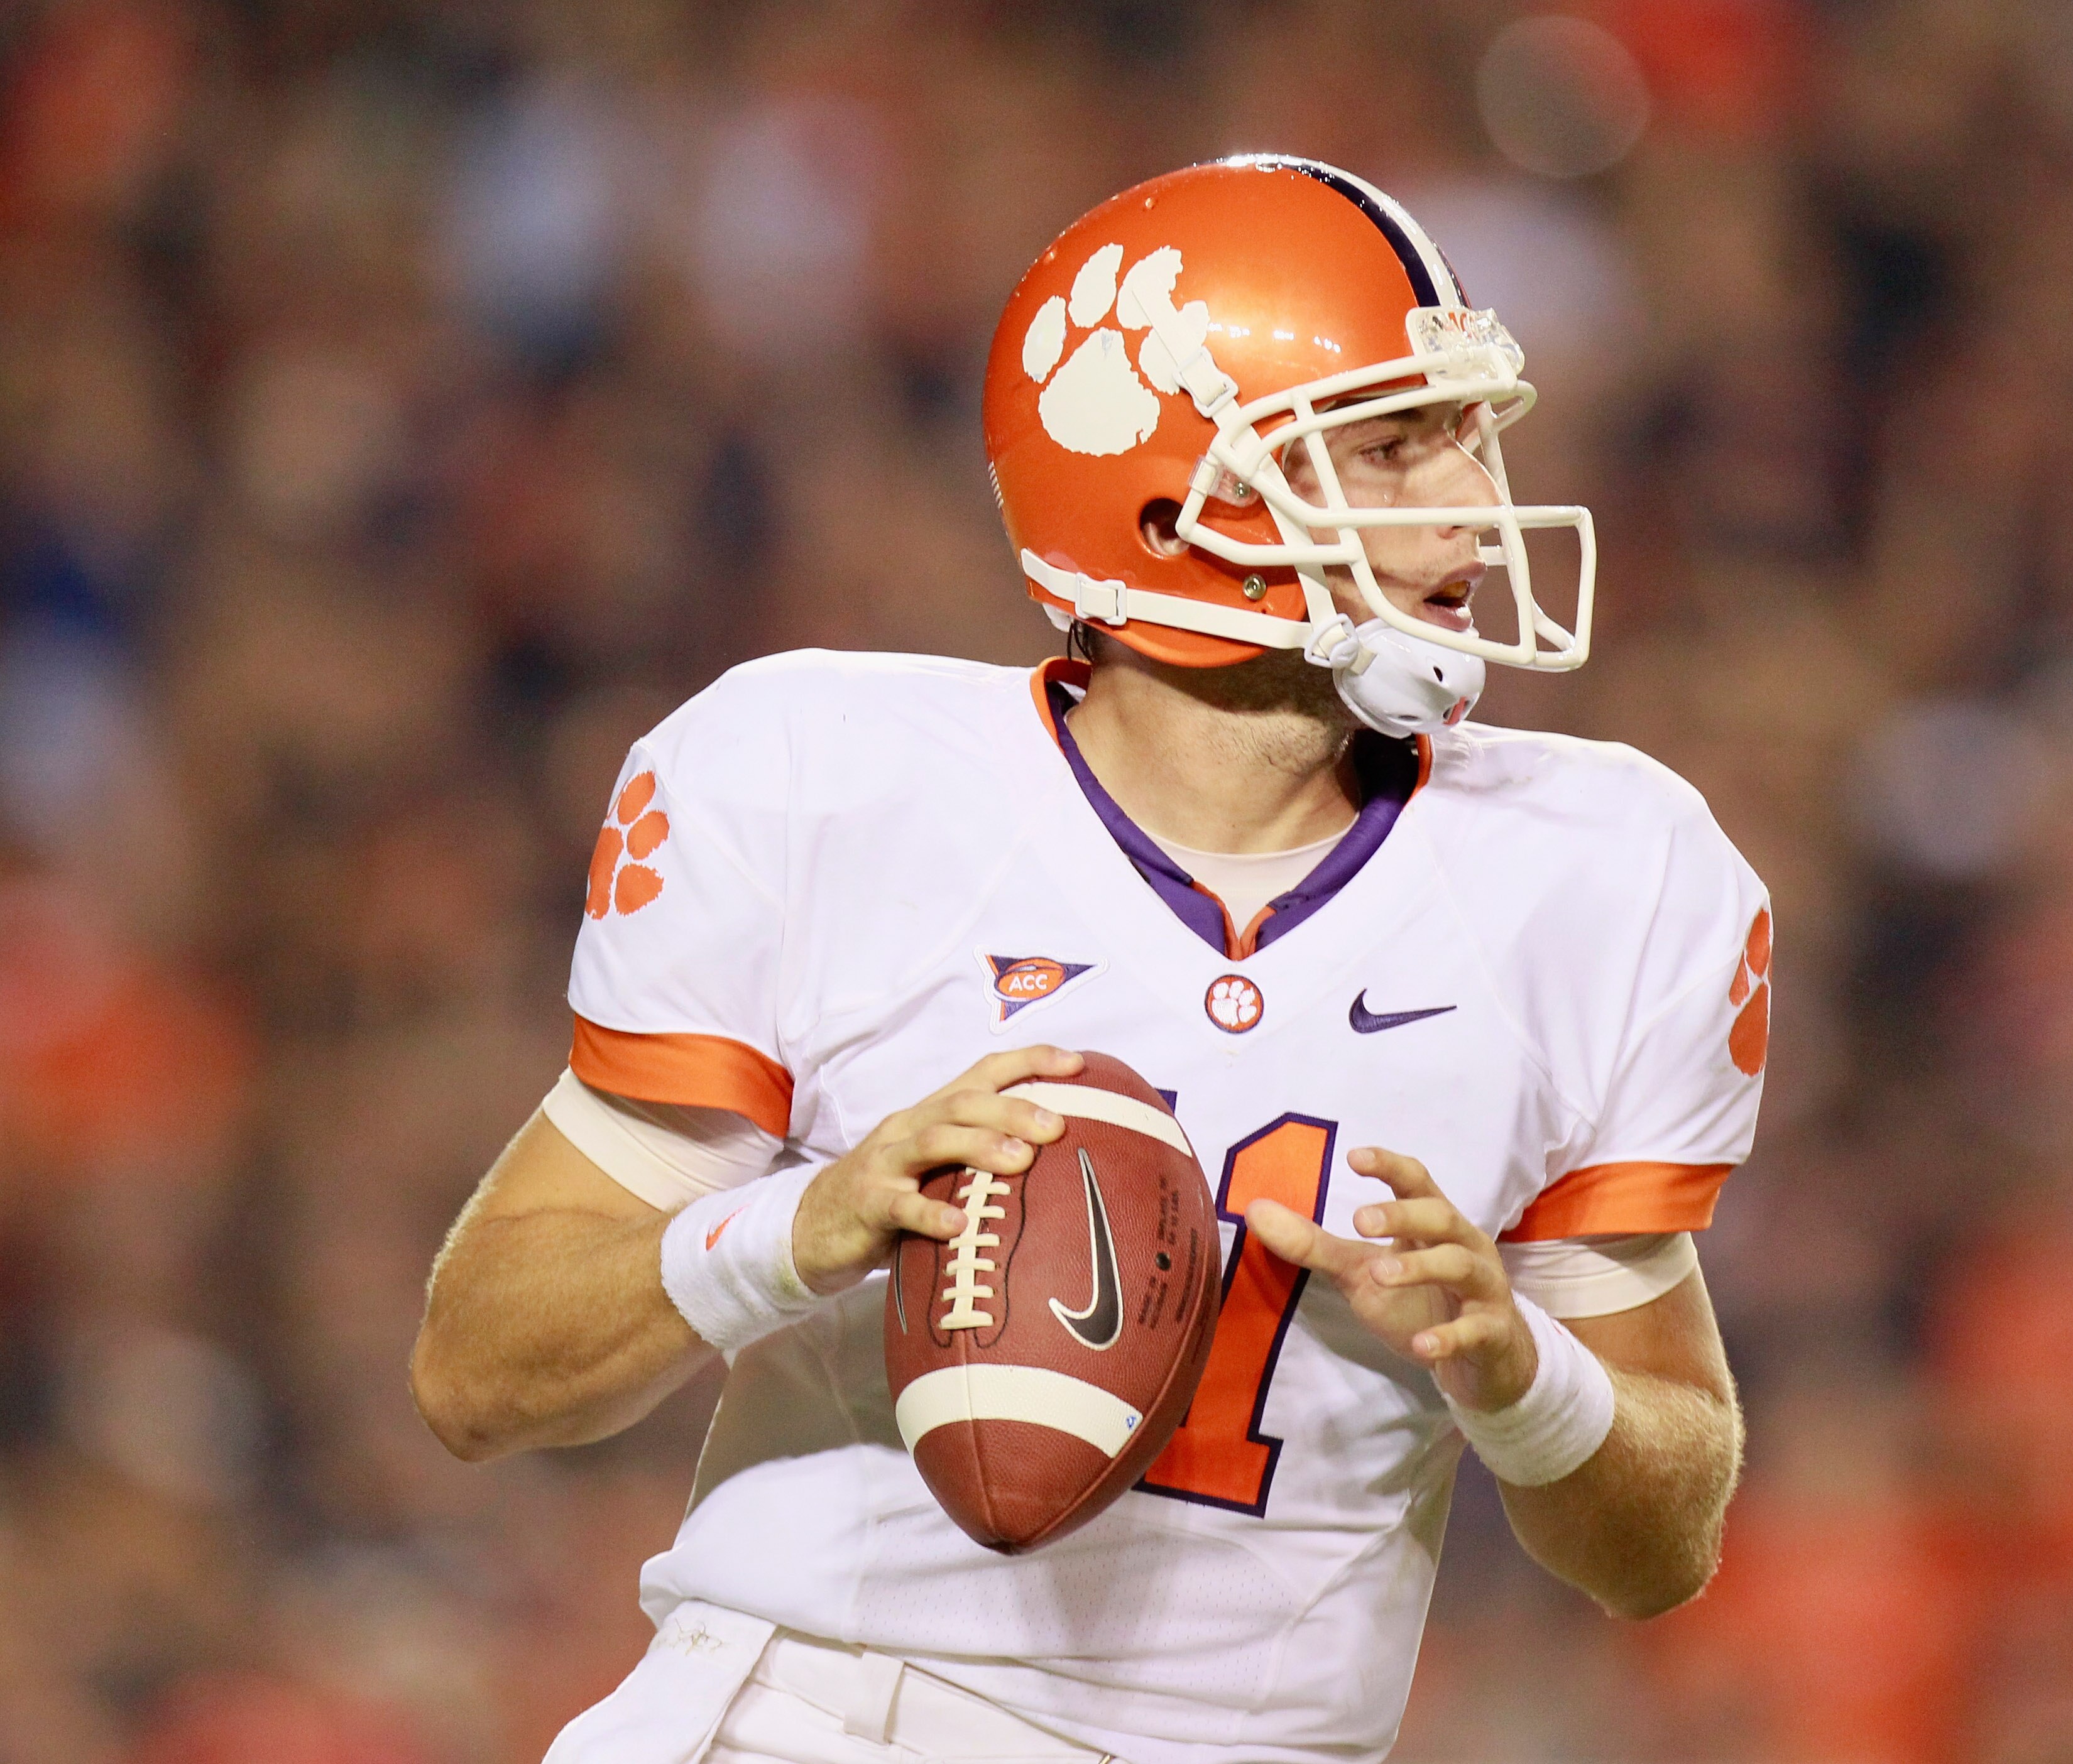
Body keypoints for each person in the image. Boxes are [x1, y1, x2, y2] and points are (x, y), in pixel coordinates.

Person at [410, 155, 1766, 1764]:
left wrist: (1522, 1372)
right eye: (1394, 445)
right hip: (821, 1720)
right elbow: (478, 1372)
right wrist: (797, 1228)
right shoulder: (821, 780)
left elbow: (1662, 1544)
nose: (1472, 503)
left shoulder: (1607, 868)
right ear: (1171, 498)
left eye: (1471, 434)